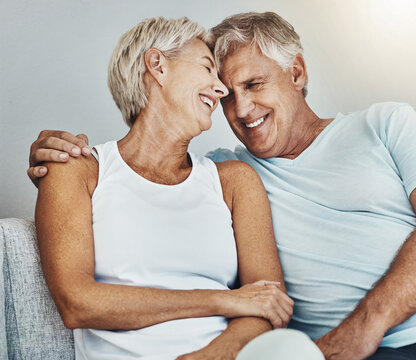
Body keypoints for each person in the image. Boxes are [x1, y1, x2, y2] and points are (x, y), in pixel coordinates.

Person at [29, 12, 416, 360]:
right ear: (158, 68)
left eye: (253, 85)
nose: (236, 107)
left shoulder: (384, 122)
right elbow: (149, 183)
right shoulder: (227, 171)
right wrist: (53, 156)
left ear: (297, 71)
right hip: (385, 353)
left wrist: (360, 331)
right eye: (223, 89)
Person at [34, 16, 299, 360]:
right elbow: (77, 303)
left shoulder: (235, 181)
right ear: (157, 65)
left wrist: (211, 355)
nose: (220, 91)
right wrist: (224, 299)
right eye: (207, 69)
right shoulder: (75, 169)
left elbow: (268, 306)